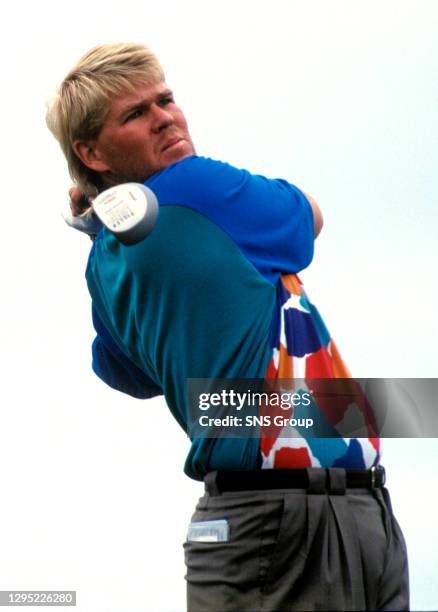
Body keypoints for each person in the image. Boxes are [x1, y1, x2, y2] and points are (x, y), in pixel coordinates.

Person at [46, 42, 409, 611]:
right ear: (91, 152)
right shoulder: (196, 187)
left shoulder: (102, 263)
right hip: (280, 521)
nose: (164, 116)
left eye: (164, 99)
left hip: (352, 514)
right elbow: (308, 216)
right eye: (136, 114)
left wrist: (101, 233)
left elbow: (123, 371)